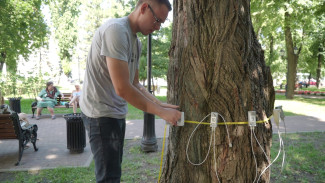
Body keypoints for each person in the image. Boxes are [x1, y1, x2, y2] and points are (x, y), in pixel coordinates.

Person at [79, 0, 181, 182]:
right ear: (143, 8)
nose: (158, 28)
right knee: (109, 177)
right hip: (100, 114)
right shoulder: (116, 30)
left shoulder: (136, 42)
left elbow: (135, 84)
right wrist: (162, 113)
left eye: (162, 23)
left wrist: (160, 103)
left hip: (116, 113)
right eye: (157, 20)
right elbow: (122, 88)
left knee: (113, 171)